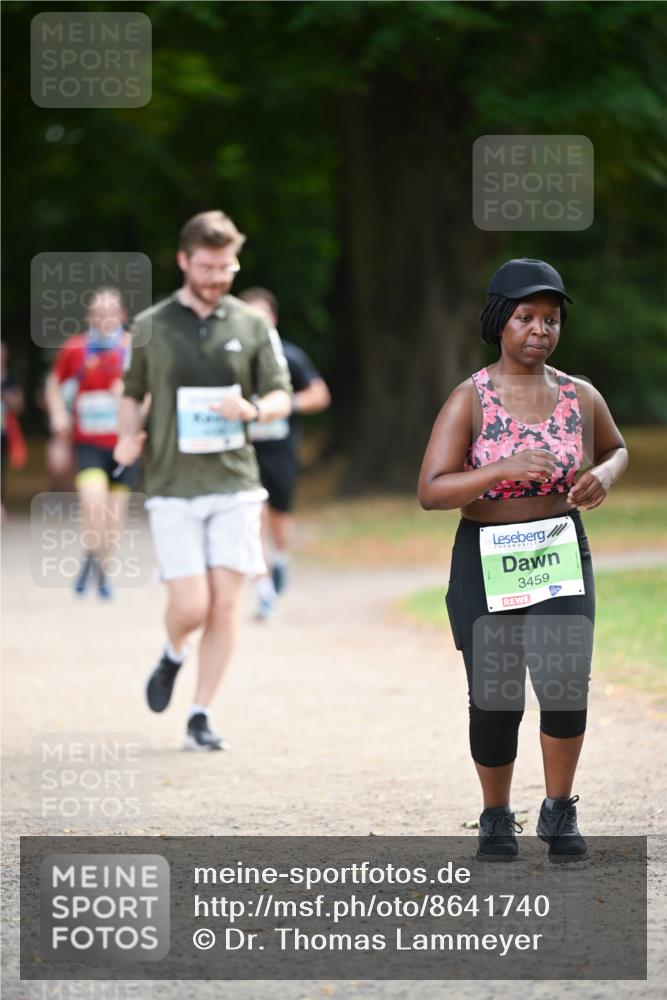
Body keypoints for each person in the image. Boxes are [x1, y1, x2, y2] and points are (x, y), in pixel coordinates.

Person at [418, 258, 628, 862]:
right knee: (497, 696)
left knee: (564, 684)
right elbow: (431, 490)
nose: (540, 329)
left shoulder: (579, 394)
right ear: (499, 321)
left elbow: (616, 449)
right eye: (526, 316)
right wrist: (501, 469)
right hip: (486, 557)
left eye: (551, 319)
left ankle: (559, 811)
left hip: (559, 550)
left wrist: (605, 476)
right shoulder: (471, 399)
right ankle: (496, 815)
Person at [115, 211, 292, 751]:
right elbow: (131, 393)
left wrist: (253, 409)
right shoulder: (150, 324)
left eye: (228, 266)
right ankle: (173, 652)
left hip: (235, 483)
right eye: (209, 266)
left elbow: (281, 393)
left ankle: (200, 713)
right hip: (171, 484)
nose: (219, 276)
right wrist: (126, 438)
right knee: (191, 607)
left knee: (224, 604)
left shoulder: (252, 324)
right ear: (184, 260)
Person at [238, 287, 331, 621]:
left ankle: (280, 559)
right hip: (243, 452)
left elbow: (320, 395)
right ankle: (263, 591)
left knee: (278, 518)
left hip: (280, 449)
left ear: (273, 319)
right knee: (254, 516)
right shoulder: (232, 357)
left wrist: (283, 406)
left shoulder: (289, 357)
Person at [45, 289, 138, 598]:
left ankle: (102, 569)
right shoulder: (75, 349)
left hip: (124, 445)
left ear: (122, 315)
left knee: (114, 516)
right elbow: (53, 384)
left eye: (110, 311)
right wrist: (58, 413)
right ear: (89, 317)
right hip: (89, 445)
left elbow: (149, 397)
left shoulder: (132, 350)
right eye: (98, 312)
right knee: (92, 504)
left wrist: (126, 396)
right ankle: (90, 553)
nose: (104, 318)